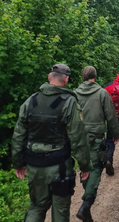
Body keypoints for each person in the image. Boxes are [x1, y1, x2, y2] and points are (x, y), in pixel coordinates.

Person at [11, 64, 91, 222]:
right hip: (59, 167)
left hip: (34, 166)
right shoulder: (68, 103)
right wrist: (84, 165)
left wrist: (18, 162)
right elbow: (78, 137)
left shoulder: (30, 101)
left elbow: (19, 134)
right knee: (60, 212)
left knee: (36, 206)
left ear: (49, 77)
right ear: (66, 79)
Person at [74, 66, 119, 221]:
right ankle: (86, 204)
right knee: (95, 168)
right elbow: (110, 115)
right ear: (95, 76)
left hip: (78, 138)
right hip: (95, 138)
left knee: (83, 166)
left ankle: (86, 206)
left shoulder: (73, 95)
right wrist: (115, 134)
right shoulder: (102, 93)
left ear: (83, 77)